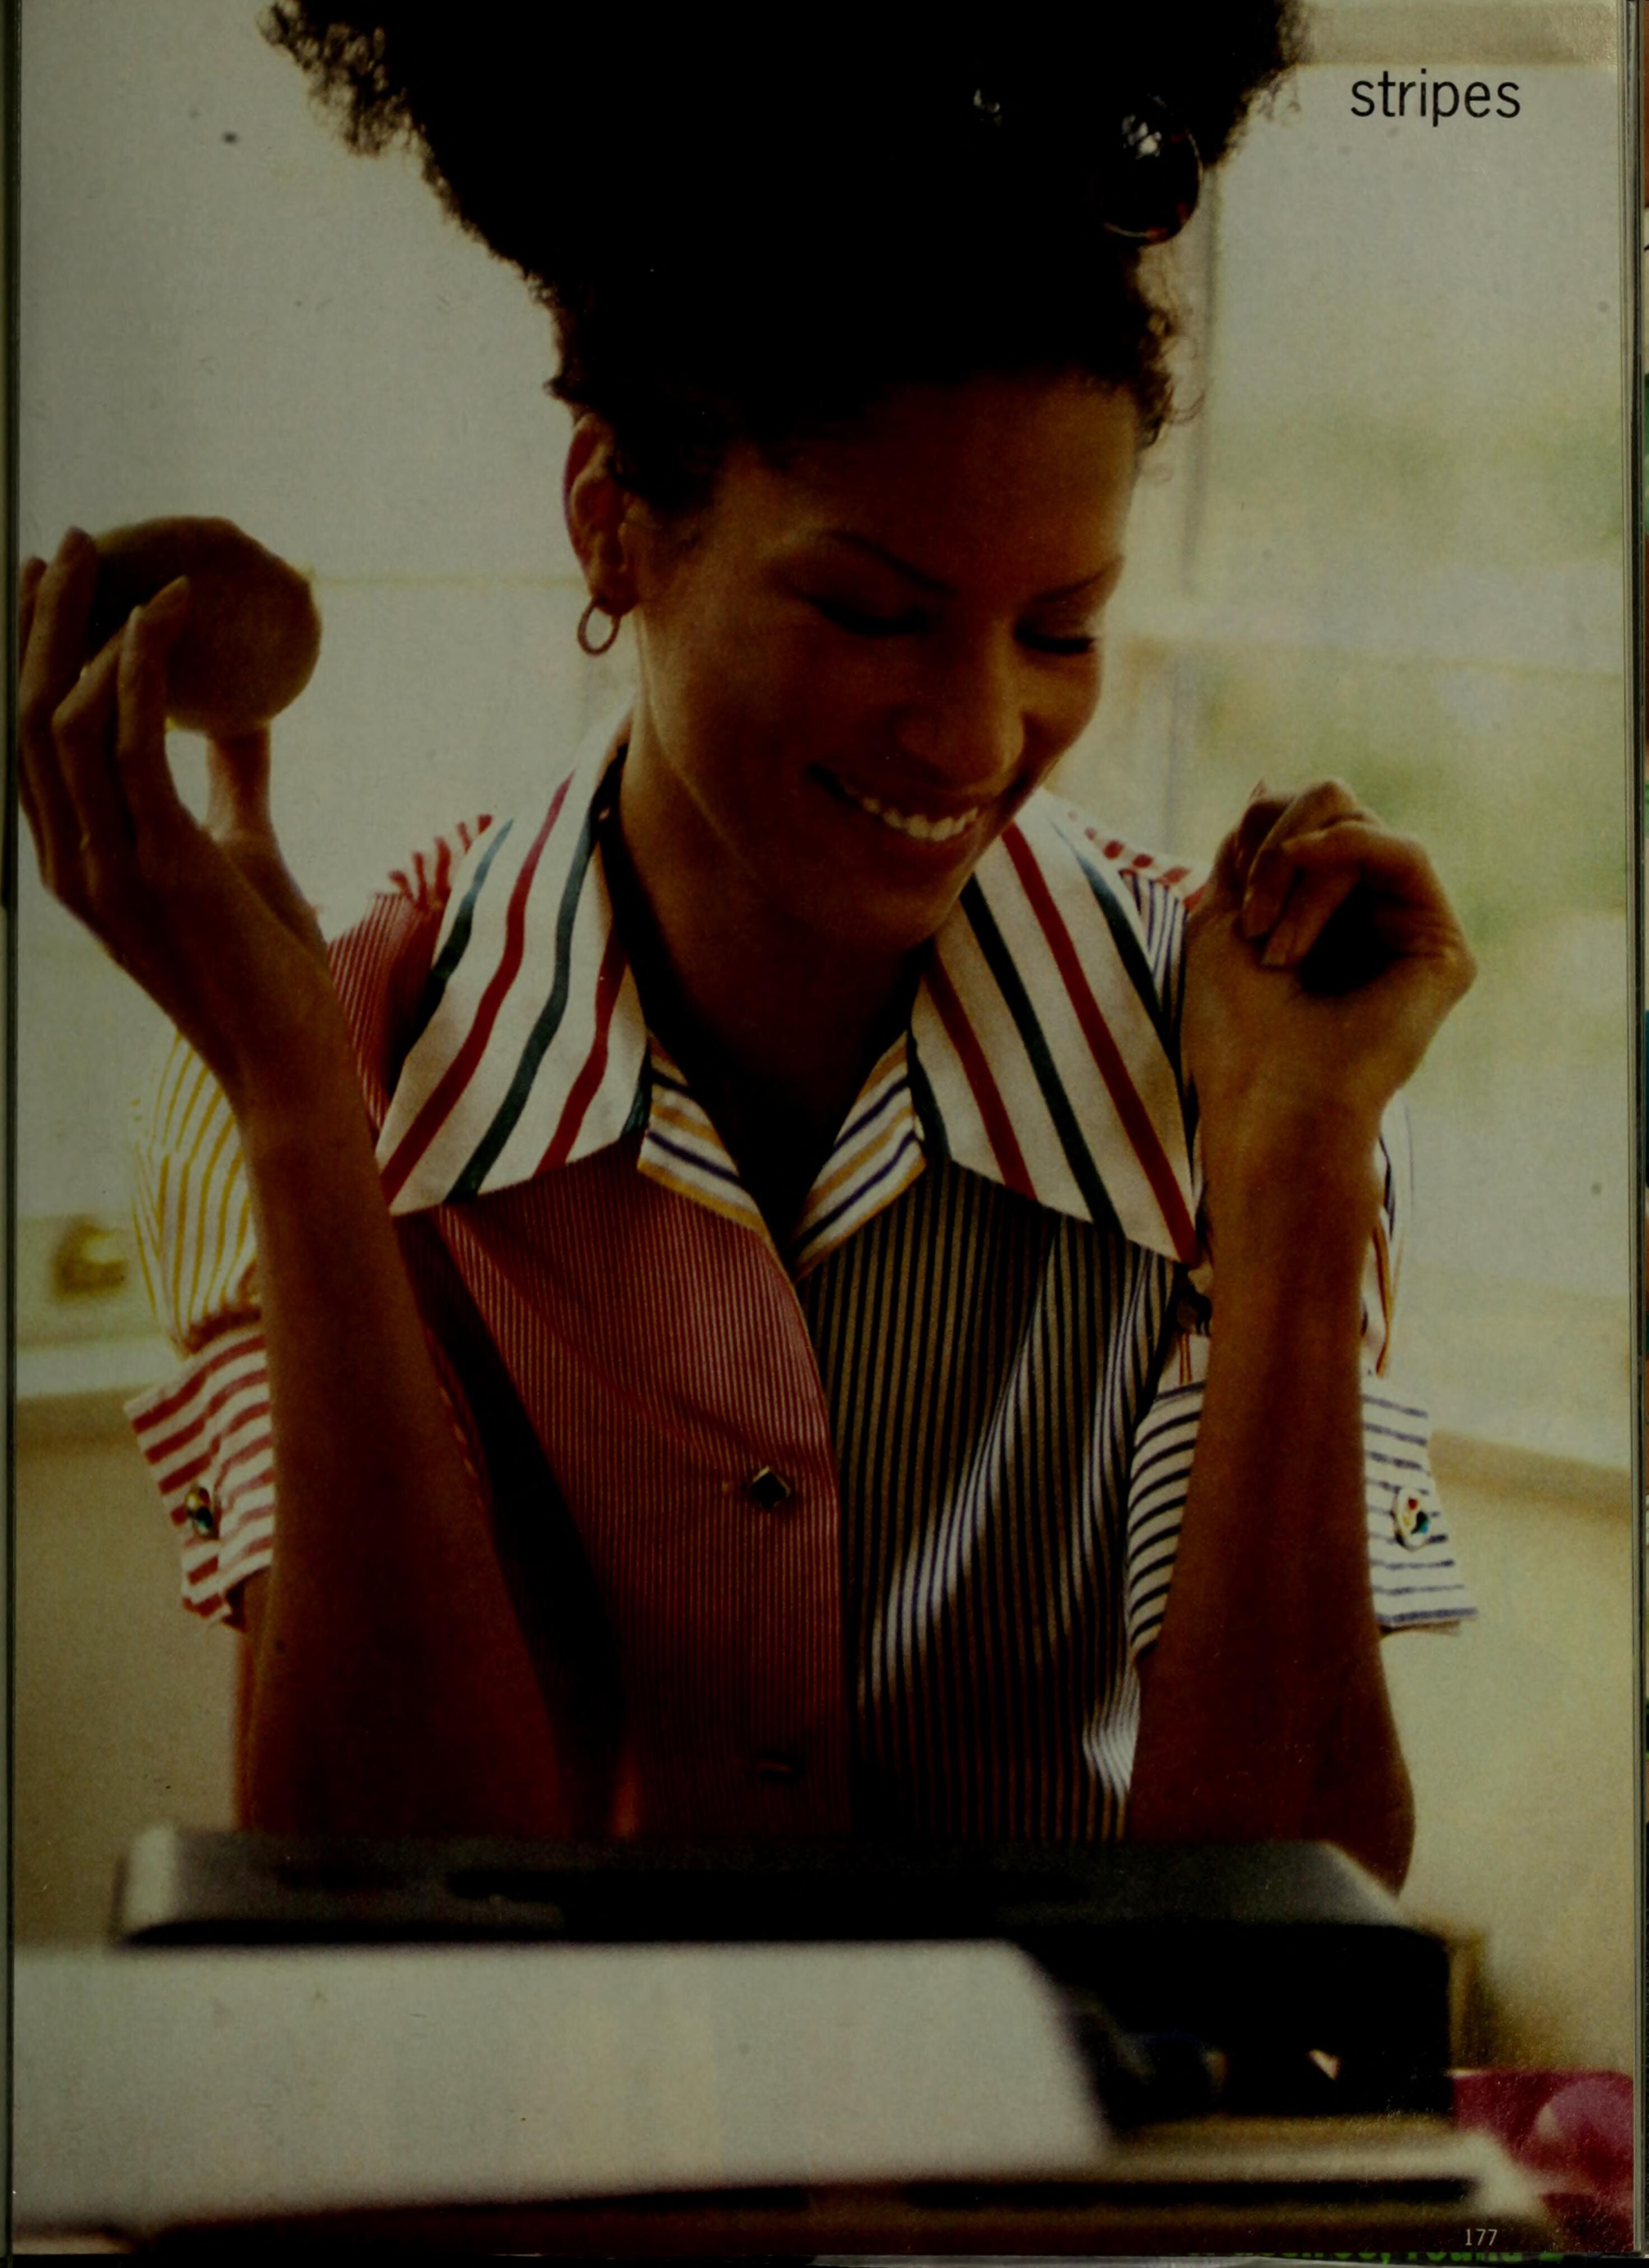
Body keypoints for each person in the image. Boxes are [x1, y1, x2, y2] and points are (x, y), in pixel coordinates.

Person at [17, 3, 1474, 1888]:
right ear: (613, 527)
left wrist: (1299, 1166)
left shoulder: (1251, 1059)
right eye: (870, 613)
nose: (976, 735)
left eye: (1059, 630)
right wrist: (300, 1113)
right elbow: (383, 1920)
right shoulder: (318, 1050)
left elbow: (1293, 1924)